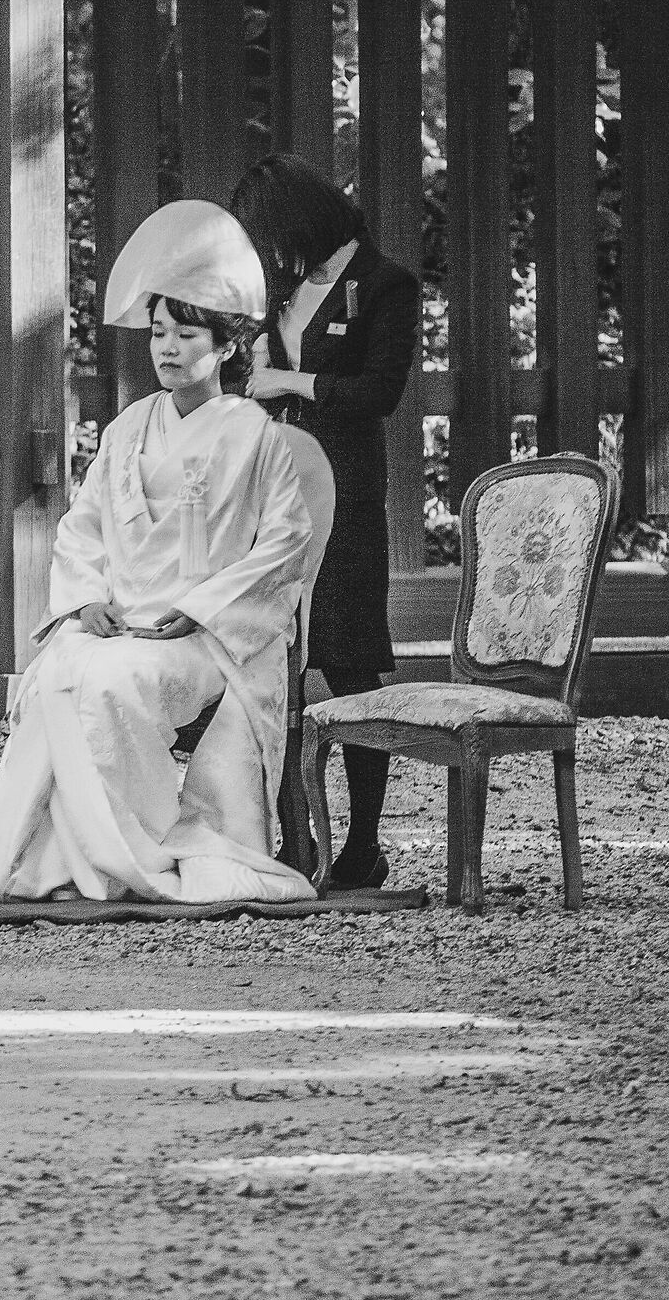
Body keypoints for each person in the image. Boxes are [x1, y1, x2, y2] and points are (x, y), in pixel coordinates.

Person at [0, 200, 318, 907]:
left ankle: (134, 850)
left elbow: (284, 545)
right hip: (122, 620)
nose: (168, 348)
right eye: (158, 334)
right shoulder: (126, 427)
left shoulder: (256, 436)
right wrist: (87, 601)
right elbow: (81, 528)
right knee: (55, 671)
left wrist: (200, 608)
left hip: (207, 637)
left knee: (114, 685)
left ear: (227, 345)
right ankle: (74, 854)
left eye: (185, 333)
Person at [230, 152, 420, 890]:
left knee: (347, 662)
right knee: (275, 659)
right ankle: (292, 834)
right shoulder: (280, 286)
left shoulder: (384, 283)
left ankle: (363, 841)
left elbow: (379, 391)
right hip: (274, 486)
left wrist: (293, 379)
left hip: (344, 491)